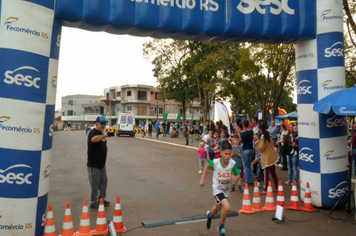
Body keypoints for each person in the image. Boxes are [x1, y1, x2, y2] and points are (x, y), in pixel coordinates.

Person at [200, 140, 241, 236]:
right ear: (221, 152)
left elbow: (238, 174)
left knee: (218, 208)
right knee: (227, 208)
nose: (227, 156)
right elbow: (207, 165)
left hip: (226, 189)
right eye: (225, 154)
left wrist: (236, 178)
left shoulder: (232, 163)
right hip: (217, 189)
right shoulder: (216, 162)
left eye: (229, 154)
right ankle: (221, 226)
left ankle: (210, 215)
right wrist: (202, 179)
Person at [87, 115, 112, 208]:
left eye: (105, 124)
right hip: (94, 165)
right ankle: (93, 202)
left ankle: (101, 198)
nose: (103, 125)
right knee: (94, 184)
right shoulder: (93, 133)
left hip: (102, 165)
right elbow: (93, 140)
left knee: (104, 182)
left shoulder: (102, 134)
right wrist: (104, 135)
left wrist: (104, 136)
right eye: (102, 124)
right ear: (97, 124)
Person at [254, 121, 279, 195]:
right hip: (272, 157)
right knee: (273, 173)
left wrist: (257, 141)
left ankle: (266, 190)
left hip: (267, 158)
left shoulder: (264, 137)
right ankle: (276, 188)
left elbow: (261, 148)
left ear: (261, 129)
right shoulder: (269, 135)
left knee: (267, 174)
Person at [238, 119, 254, 186]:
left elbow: (240, 140)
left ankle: (247, 180)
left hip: (245, 150)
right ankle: (251, 180)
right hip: (251, 149)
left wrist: (239, 134)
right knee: (249, 166)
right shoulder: (251, 131)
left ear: (243, 125)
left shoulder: (244, 134)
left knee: (246, 166)